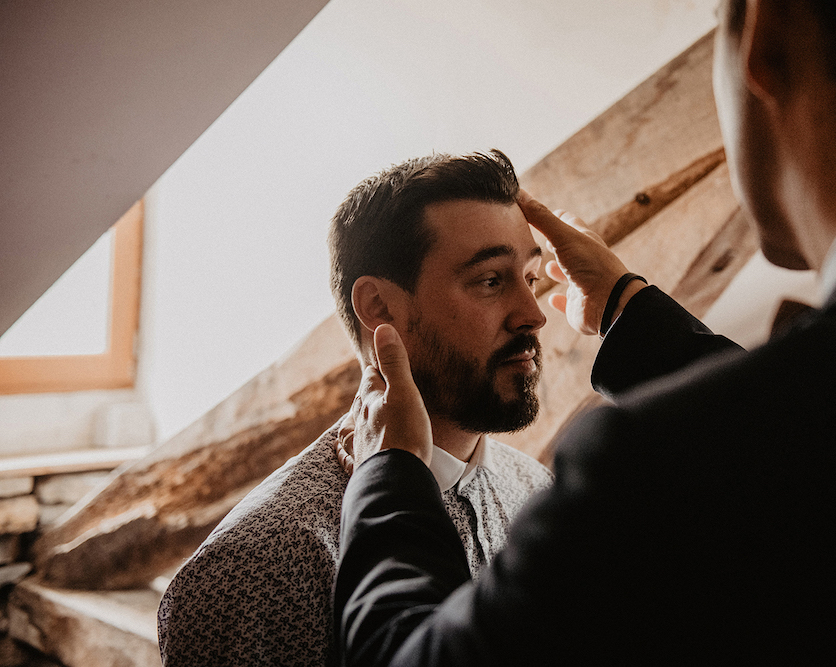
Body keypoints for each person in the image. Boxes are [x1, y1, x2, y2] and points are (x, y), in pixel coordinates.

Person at [332, 0, 836, 664]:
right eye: (488, 278)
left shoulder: (662, 473)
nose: (532, 311)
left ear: (764, 37)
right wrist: (627, 306)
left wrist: (389, 477)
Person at [156, 150, 554, 665]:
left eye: (532, 277)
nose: (533, 314)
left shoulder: (538, 493)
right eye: (491, 280)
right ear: (379, 308)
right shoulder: (258, 567)